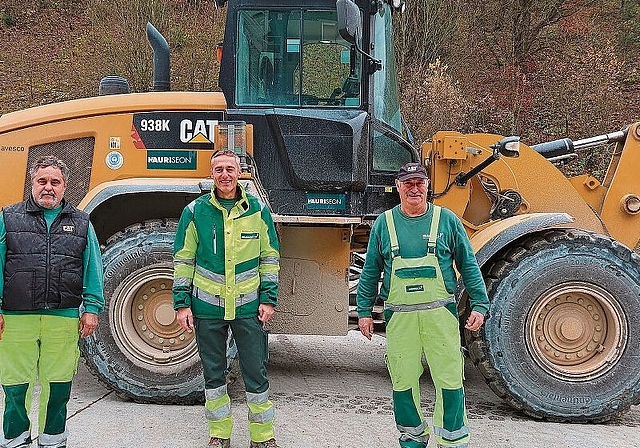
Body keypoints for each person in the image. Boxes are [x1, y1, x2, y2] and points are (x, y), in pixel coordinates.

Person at [356, 162, 489, 448]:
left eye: (420, 183)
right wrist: (364, 311)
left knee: (450, 379)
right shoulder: (385, 223)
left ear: (427, 186)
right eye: (408, 183)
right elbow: (370, 270)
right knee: (402, 381)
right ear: (398, 186)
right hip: (400, 319)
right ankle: (412, 438)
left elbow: (468, 264)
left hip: (440, 316)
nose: (414, 188)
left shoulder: (447, 220)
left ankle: (452, 441)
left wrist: (479, 303)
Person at [173, 150, 280, 448]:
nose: (224, 175)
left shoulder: (257, 211)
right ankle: (219, 435)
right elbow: (183, 260)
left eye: (229, 169)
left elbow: (269, 258)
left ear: (239, 173)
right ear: (211, 175)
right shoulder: (195, 212)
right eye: (218, 169)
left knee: (256, 373)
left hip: (248, 308)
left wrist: (268, 299)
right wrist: (182, 304)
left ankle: (262, 437)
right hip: (207, 309)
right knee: (214, 373)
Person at [0, 156, 105, 448]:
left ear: (65, 186)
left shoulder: (82, 222)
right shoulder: (8, 217)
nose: (48, 187)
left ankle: (53, 439)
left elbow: (92, 267)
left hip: (63, 316)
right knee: (15, 385)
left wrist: (92, 309)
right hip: (16, 317)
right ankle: (14, 438)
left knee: (58, 385)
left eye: (54, 182)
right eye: (42, 181)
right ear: (31, 184)